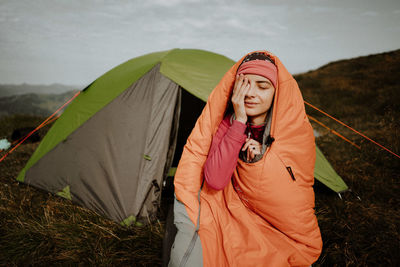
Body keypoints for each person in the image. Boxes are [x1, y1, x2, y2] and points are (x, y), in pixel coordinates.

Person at [170, 51, 322, 267]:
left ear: (276, 92)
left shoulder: (292, 131)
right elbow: (215, 180)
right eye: (244, 84)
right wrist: (239, 122)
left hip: (273, 223)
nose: (251, 93)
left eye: (262, 86)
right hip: (228, 208)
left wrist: (263, 158)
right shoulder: (228, 123)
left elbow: (291, 188)